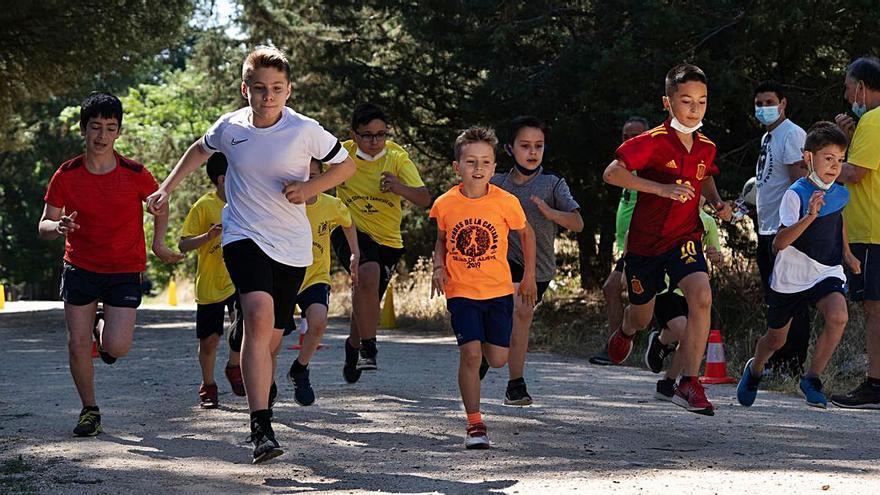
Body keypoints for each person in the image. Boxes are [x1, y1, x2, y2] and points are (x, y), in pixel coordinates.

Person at [146, 46, 356, 463]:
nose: (268, 96)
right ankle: (261, 426)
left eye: (276, 88)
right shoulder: (230, 127)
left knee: (273, 336)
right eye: (259, 88)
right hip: (242, 234)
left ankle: (261, 386)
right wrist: (167, 187)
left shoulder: (304, 129)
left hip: (292, 247)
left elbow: (345, 166)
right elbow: (198, 150)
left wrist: (310, 189)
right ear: (246, 89)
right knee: (259, 318)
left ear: (288, 90)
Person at [37, 91, 182, 437]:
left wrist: (159, 242)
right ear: (84, 129)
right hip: (80, 267)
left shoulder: (134, 173)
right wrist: (57, 227)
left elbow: (160, 204)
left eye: (110, 128)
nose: (102, 136)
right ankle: (90, 410)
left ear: (118, 132)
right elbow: (44, 225)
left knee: (117, 347)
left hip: (123, 269)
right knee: (76, 343)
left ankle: (102, 329)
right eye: (95, 127)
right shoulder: (66, 175)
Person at [602, 63, 732, 416]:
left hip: (684, 239)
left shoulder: (706, 147)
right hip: (645, 246)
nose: (694, 109)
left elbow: (704, 177)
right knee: (641, 317)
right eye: (686, 100)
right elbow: (612, 173)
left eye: (702, 101)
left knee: (701, 296)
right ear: (667, 102)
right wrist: (660, 188)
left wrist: (717, 202)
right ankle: (627, 331)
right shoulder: (652, 142)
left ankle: (689, 382)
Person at [738, 122, 859, 408]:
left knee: (839, 316)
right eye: (828, 158)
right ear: (808, 158)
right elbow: (779, 242)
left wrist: (847, 253)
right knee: (776, 340)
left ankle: (812, 378)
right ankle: (755, 369)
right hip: (791, 276)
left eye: (840, 160)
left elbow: (837, 222)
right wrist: (809, 216)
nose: (834, 166)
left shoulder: (840, 193)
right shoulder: (795, 193)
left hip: (826, 270)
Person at [430, 126, 536, 449]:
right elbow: (441, 240)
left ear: (494, 167)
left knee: (498, 358)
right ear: (457, 167)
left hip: (499, 291)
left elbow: (527, 234)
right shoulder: (445, 203)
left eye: (486, 162)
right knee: (471, 354)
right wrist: (437, 266)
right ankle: (475, 425)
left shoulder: (505, 202)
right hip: (461, 291)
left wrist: (529, 275)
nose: (478, 169)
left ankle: (482, 359)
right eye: (471, 162)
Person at [331, 103, 431, 381]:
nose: (375, 141)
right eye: (367, 135)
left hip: (388, 239)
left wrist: (399, 186)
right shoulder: (341, 153)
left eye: (381, 134)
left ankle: (353, 346)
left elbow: (424, 198)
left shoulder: (397, 156)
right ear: (354, 134)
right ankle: (369, 348)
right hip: (348, 228)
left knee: (366, 300)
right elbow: (309, 168)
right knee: (368, 271)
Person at [488, 116, 582, 405]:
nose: (532, 152)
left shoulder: (552, 184)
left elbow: (577, 222)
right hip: (500, 262)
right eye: (525, 145)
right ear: (509, 149)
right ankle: (516, 383)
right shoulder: (496, 182)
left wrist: (552, 213)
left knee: (521, 316)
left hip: (538, 269)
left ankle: (509, 376)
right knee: (518, 312)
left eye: (538, 146)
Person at [276, 158, 360, 407]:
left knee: (319, 321)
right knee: (273, 337)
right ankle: (265, 383)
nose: (309, 181)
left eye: (315, 176)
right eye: (303, 175)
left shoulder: (331, 204)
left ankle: (300, 369)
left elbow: (348, 221)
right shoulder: (281, 204)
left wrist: (355, 252)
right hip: (283, 276)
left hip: (315, 277)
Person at [831, 56, 880, 409]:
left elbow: (855, 173)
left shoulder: (875, 120)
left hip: (871, 230)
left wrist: (822, 161)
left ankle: (875, 384)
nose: (848, 96)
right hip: (870, 229)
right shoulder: (869, 123)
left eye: (849, 88)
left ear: (861, 87)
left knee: (874, 307)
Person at [178, 152, 245, 408]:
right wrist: (208, 236)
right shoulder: (204, 206)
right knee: (210, 341)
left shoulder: (248, 202)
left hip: (240, 278)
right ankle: (208, 384)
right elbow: (183, 244)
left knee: (243, 330)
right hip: (210, 284)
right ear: (221, 179)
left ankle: (233, 366)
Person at [752, 81, 810, 376]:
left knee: (793, 300)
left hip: (784, 232)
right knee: (776, 300)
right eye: (759, 103)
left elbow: (799, 184)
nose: (763, 108)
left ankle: (792, 363)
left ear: (783, 103)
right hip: (765, 228)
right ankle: (777, 358)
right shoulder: (767, 137)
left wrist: (792, 230)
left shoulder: (791, 134)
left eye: (769, 102)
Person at [645, 206, 723, 400]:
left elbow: (718, 258)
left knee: (690, 334)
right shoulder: (666, 209)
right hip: (665, 287)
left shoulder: (708, 221)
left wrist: (716, 257)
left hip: (690, 291)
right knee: (686, 333)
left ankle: (667, 382)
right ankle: (663, 345)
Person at [591, 116, 650, 366]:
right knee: (612, 289)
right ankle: (620, 345)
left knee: (622, 291)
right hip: (627, 244)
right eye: (626, 136)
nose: (630, 139)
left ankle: (623, 345)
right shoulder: (627, 165)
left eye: (636, 134)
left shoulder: (648, 165)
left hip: (642, 243)